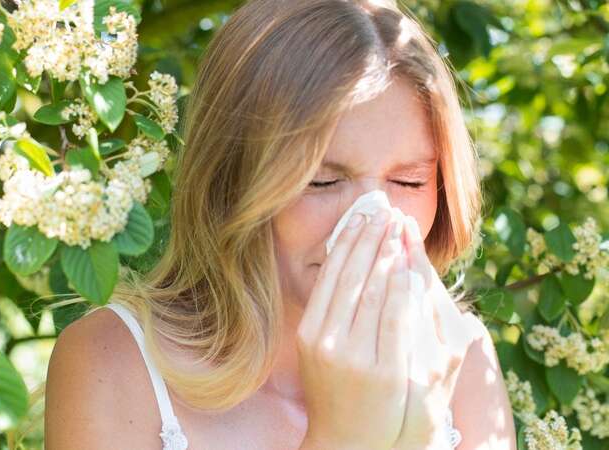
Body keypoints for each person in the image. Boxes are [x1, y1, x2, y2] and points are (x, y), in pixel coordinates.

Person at [45, 0, 516, 449]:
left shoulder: (462, 356)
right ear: (234, 182)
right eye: (322, 181)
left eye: (409, 181)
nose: (374, 221)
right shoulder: (112, 361)